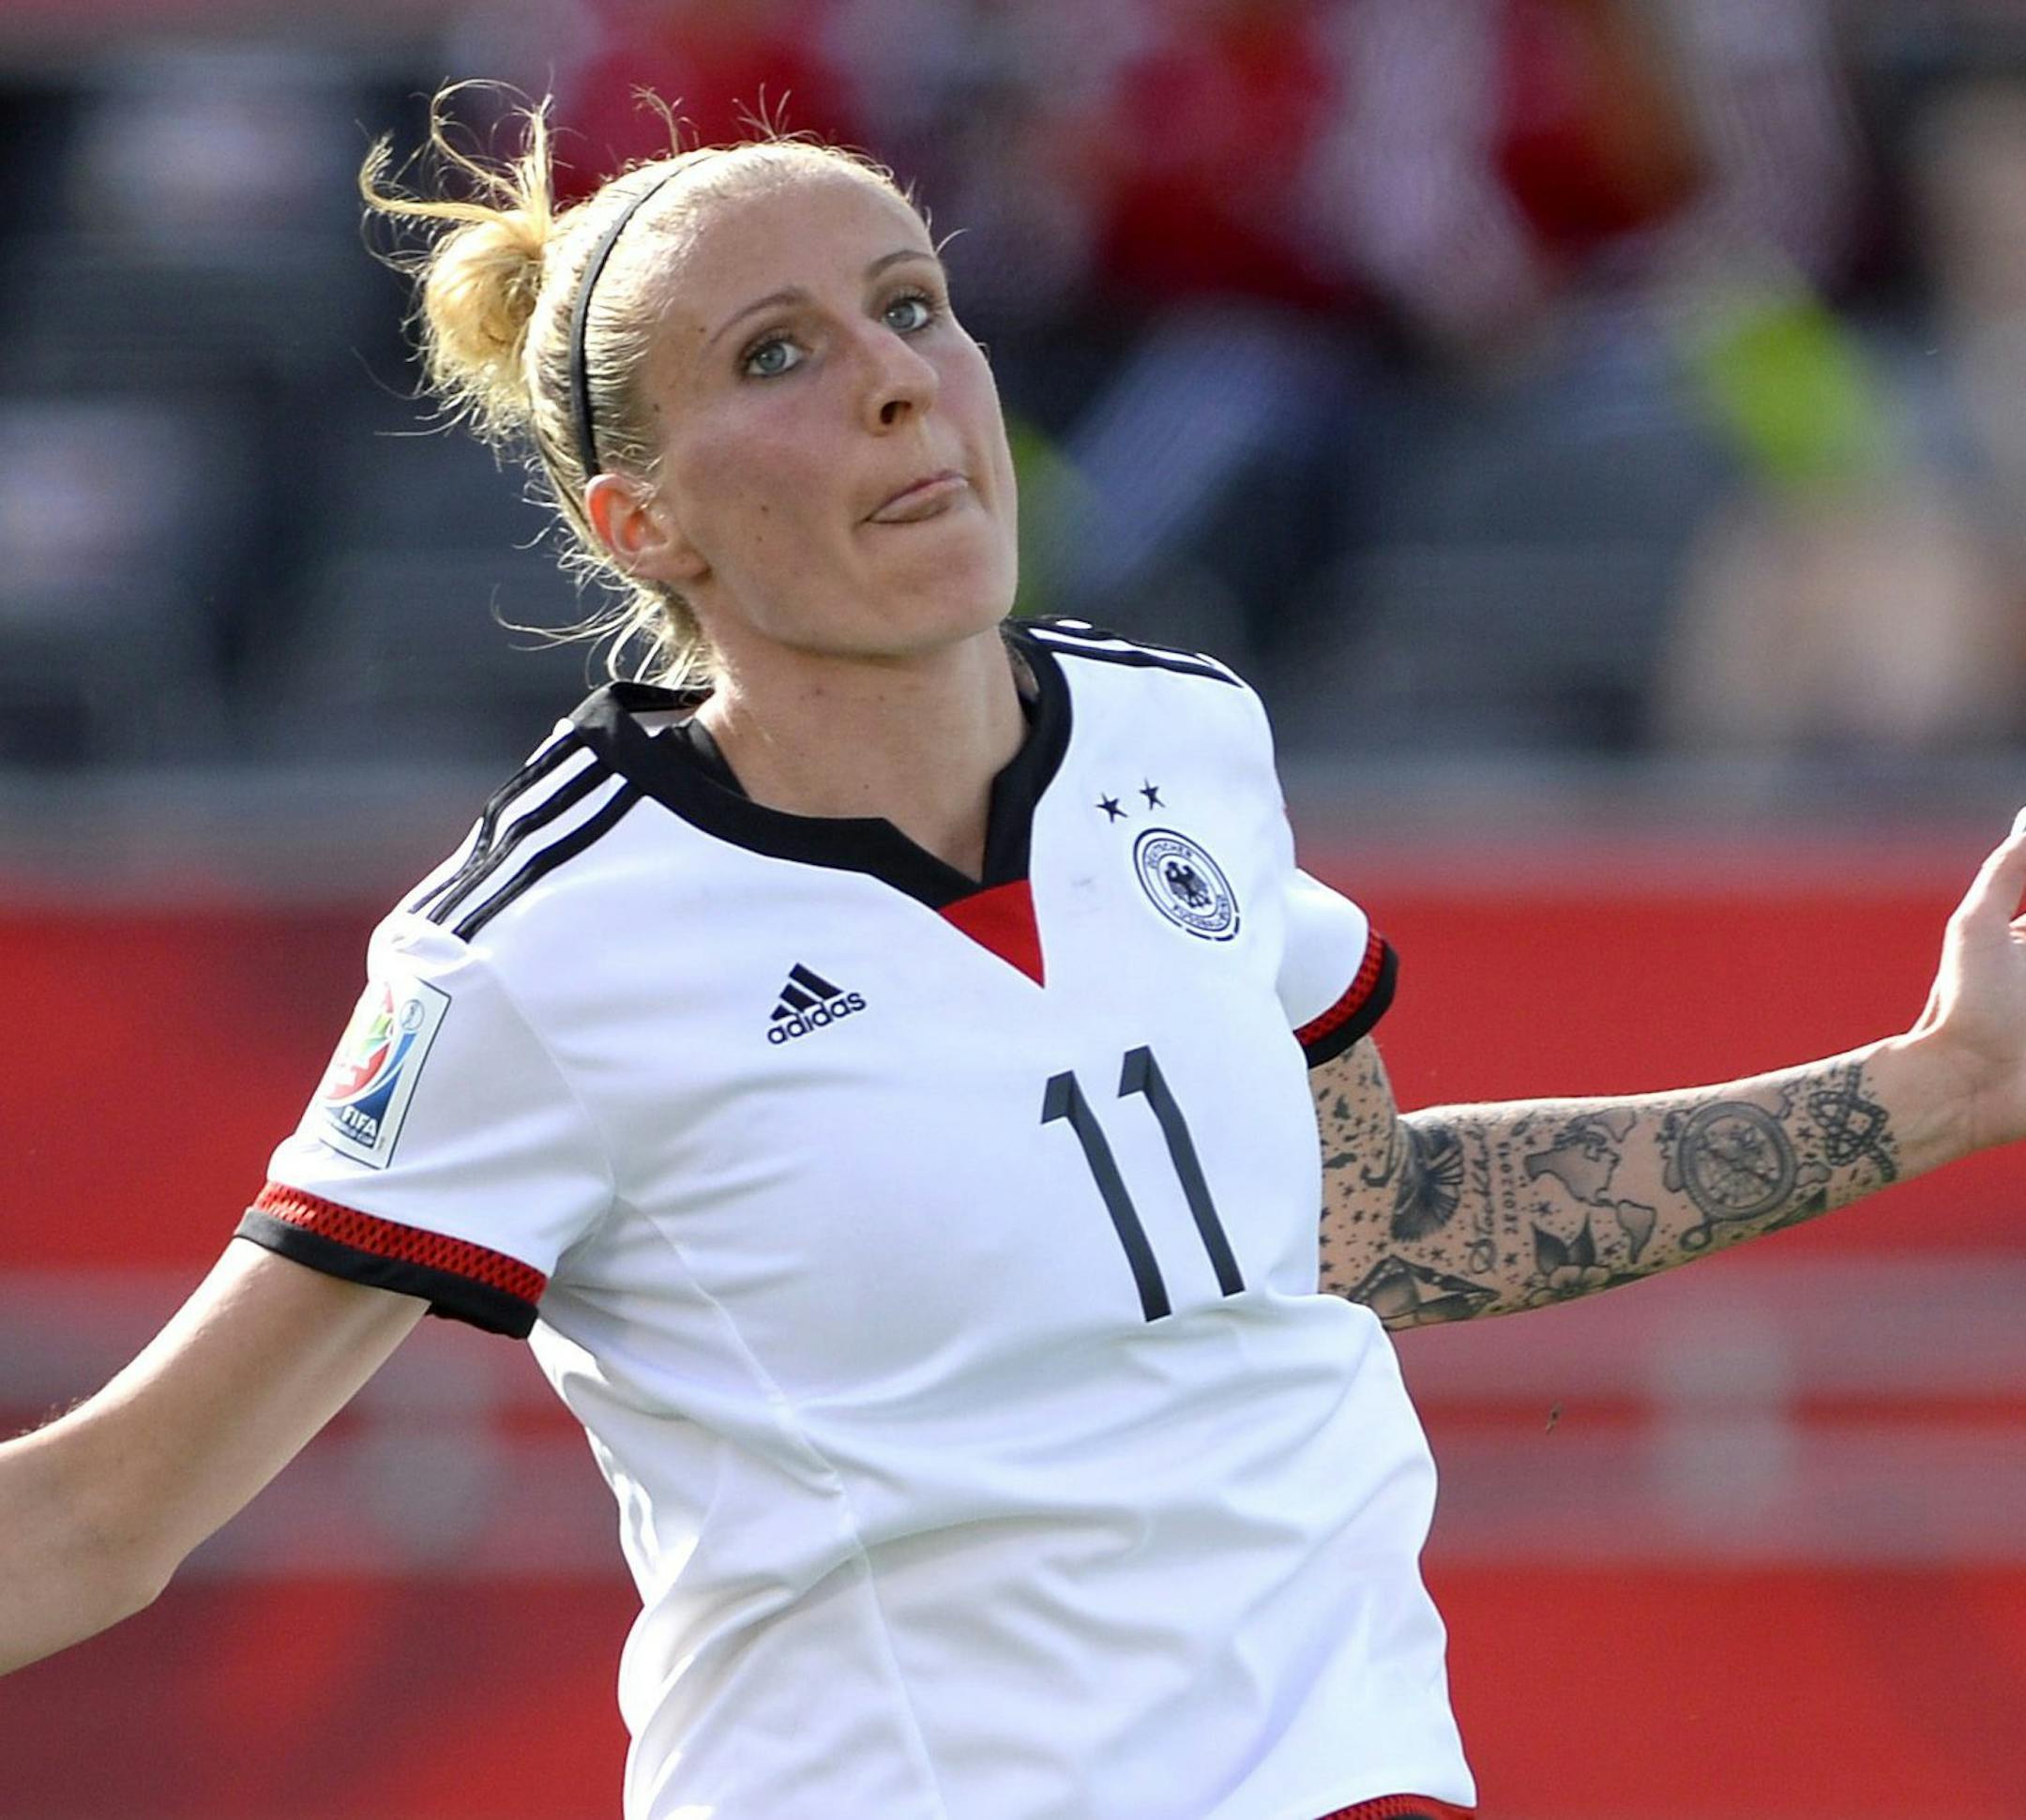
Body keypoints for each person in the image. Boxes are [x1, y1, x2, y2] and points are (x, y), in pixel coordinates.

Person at [6, 85, 2026, 1820]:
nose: (899, 376)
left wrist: (1946, 1081)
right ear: (643, 524)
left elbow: (1364, 1221)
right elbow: (113, 1507)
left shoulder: (1183, 738)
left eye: (913, 307)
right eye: (776, 356)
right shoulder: (547, 938)